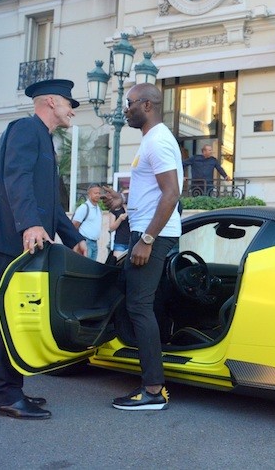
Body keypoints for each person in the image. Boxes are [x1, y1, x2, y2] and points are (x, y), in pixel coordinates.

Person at [0, 79, 87, 420]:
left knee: (12, 317)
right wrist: (29, 223)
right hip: (13, 240)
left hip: (25, 241)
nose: (72, 109)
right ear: (52, 102)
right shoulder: (26, 128)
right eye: (69, 103)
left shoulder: (45, 139)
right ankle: (6, 393)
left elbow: (51, 204)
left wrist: (73, 237)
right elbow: (17, 177)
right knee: (9, 318)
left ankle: (3, 392)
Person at [111, 83, 183, 411]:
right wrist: (119, 201)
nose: (125, 109)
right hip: (148, 230)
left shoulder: (158, 140)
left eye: (129, 103)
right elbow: (153, 195)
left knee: (139, 306)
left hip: (154, 234)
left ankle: (153, 389)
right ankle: (153, 383)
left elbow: (171, 194)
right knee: (144, 306)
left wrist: (147, 240)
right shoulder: (150, 140)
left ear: (147, 105)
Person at [72, 183, 102, 260]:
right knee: (84, 267)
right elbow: (74, 225)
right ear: (89, 194)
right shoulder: (84, 208)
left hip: (94, 243)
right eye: (95, 193)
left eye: (99, 193)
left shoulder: (98, 208)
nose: (98, 195)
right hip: (85, 242)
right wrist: (78, 242)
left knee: (92, 269)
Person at [103, 185, 130, 259]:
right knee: (118, 264)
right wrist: (120, 219)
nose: (127, 197)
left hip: (132, 242)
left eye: (128, 195)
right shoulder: (115, 209)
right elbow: (111, 228)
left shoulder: (134, 209)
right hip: (120, 243)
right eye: (125, 195)